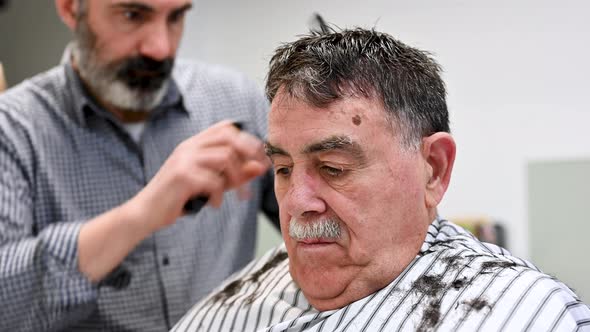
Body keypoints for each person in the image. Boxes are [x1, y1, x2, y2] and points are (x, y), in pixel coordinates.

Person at [171, 28, 590, 331]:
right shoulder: (238, 300)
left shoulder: (515, 312)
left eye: (334, 168)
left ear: (434, 168)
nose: (297, 202)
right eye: (282, 169)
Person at [0, 0, 279, 330]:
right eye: (133, 15)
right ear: (70, 8)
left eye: (176, 17)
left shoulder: (239, 99)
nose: (160, 48)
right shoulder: (12, 131)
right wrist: (141, 215)